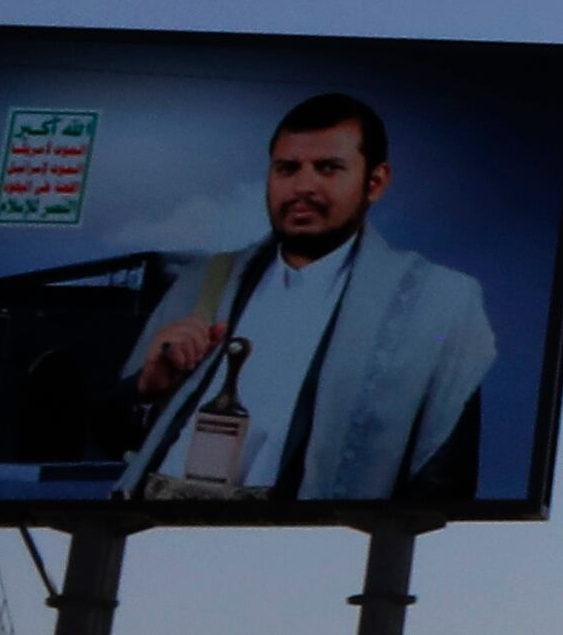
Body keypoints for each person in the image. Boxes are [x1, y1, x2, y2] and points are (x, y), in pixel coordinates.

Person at [119, 93, 494, 502]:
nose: (303, 186)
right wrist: (145, 388)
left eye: (328, 169)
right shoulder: (204, 281)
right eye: (288, 169)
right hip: (158, 527)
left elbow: (442, 483)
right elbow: (107, 438)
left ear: (375, 182)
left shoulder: (436, 302)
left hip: (301, 544)